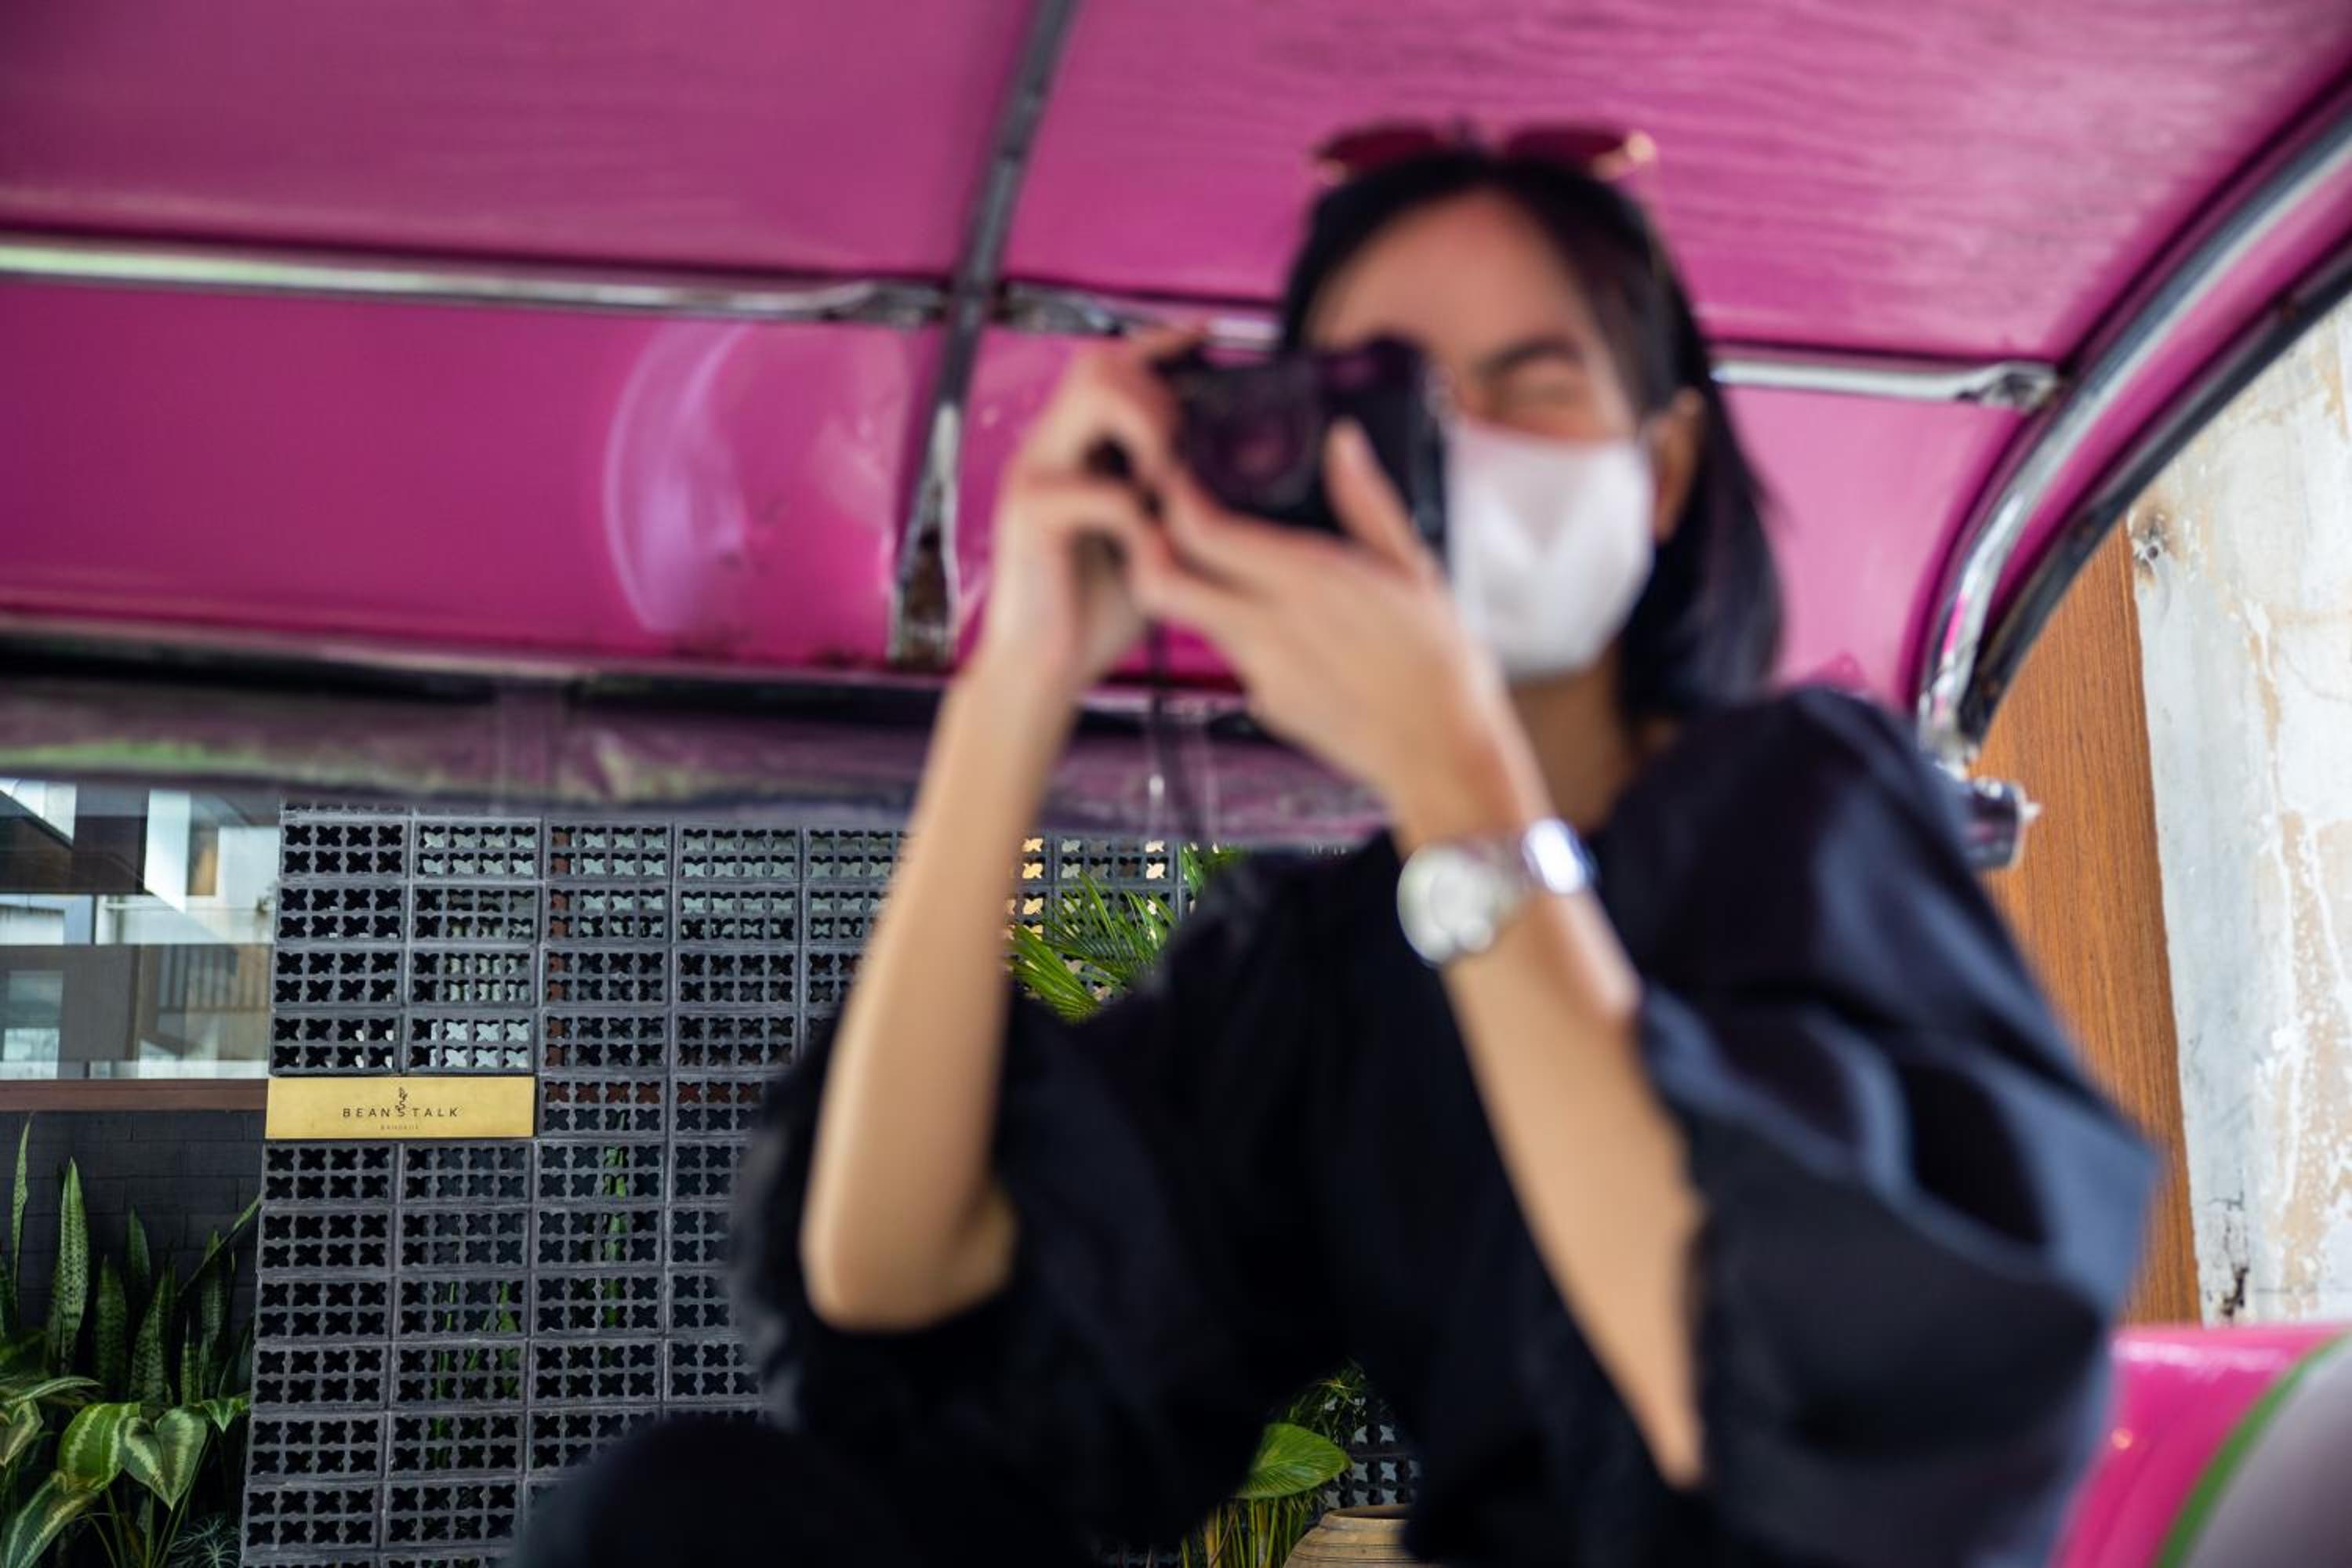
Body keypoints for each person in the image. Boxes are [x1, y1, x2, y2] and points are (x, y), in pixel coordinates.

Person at [517, 142, 2154, 1568]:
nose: (1453, 447)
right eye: (1385, 397)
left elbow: (1811, 1417)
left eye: (1528, 385)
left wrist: (1459, 780)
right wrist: (1021, 681)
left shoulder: (1804, 805)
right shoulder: (1337, 963)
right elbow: (892, 1279)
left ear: (1656, 473)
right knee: (677, 1519)